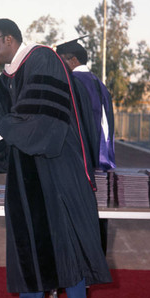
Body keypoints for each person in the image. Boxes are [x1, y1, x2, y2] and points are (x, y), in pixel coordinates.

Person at [0, 19, 112, 298]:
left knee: (66, 241)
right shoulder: (3, 83)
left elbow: (35, 115)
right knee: (27, 240)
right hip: (25, 173)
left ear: (10, 39)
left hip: (57, 169)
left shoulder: (43, 59)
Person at [56, 37, 115, 254]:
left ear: (71, 60)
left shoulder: (72, 84)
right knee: (97, 218)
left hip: (76, 164)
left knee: (71, 219)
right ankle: (92, 274)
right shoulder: (99, 84)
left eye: (59, 60)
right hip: (101, 163)